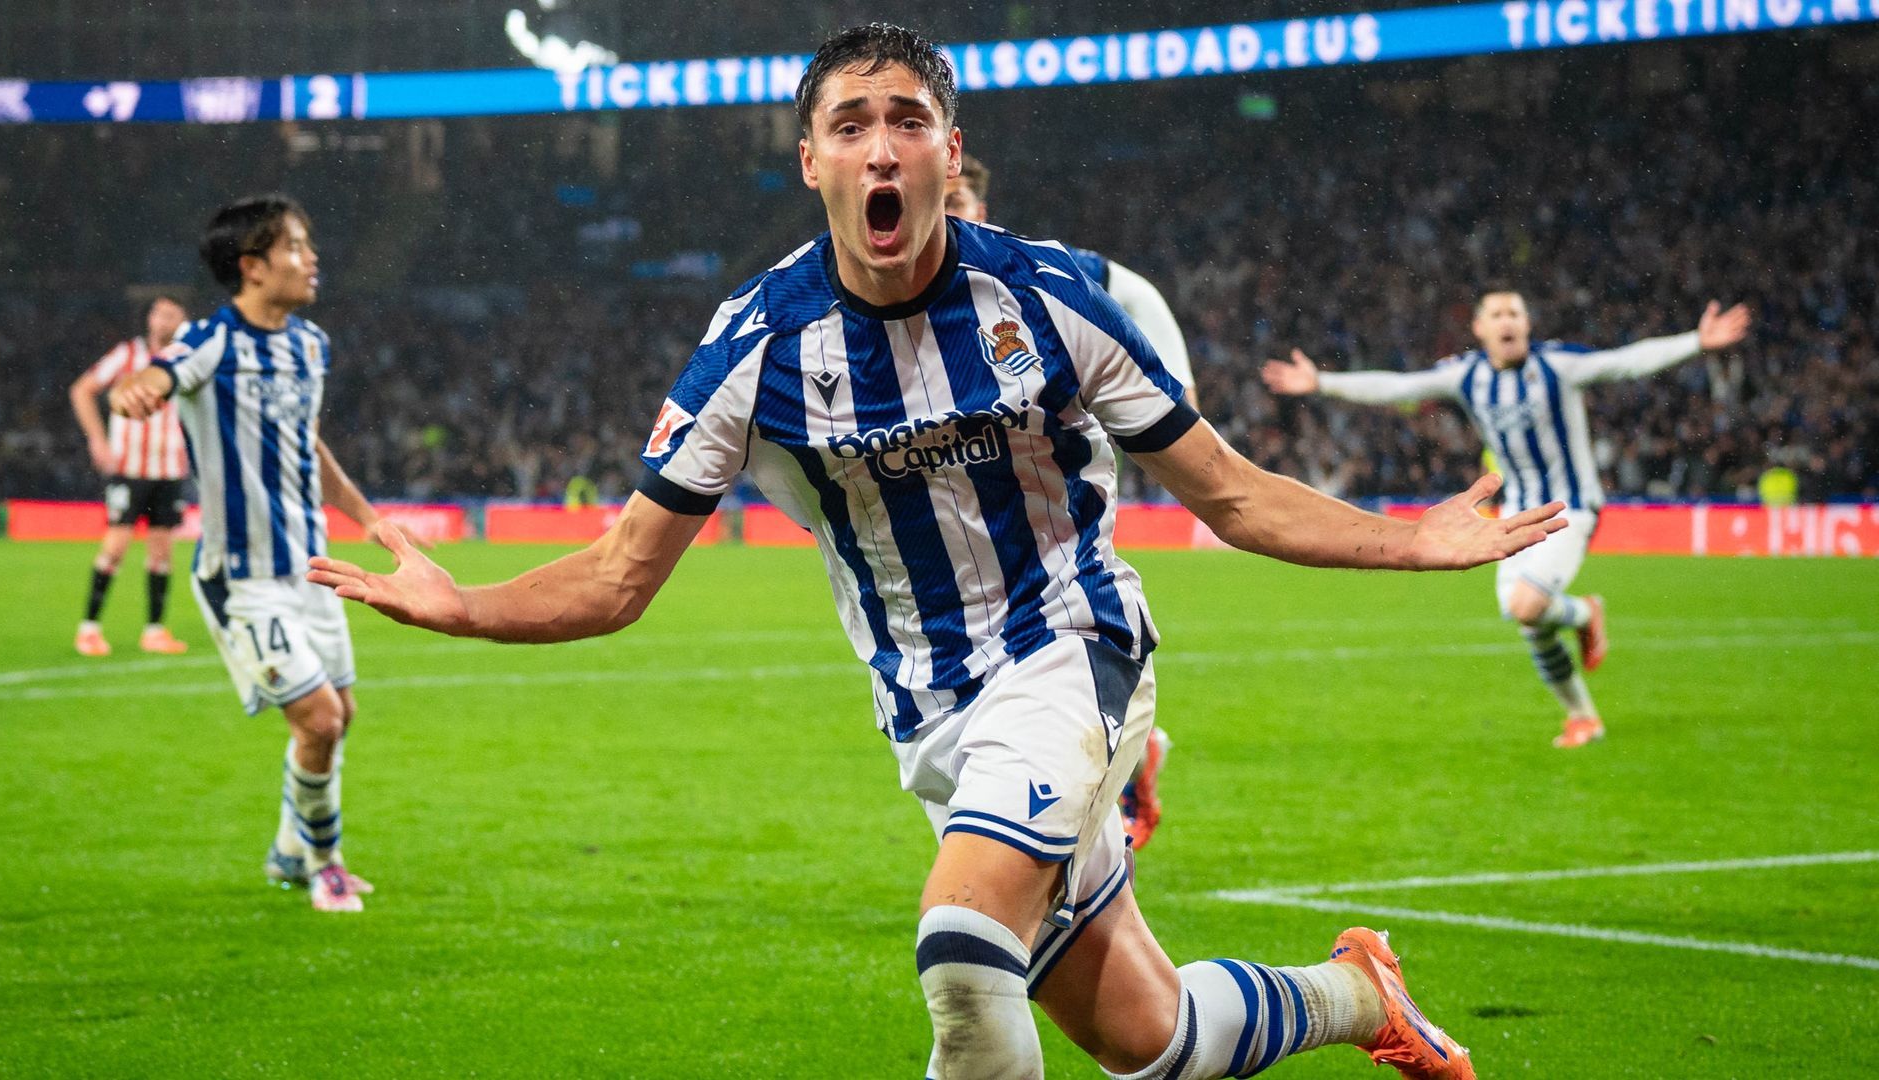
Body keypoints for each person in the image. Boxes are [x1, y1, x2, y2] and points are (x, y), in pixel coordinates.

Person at [309, 26, 1564, 1077]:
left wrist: (1416, 541)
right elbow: (621, 572)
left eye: (907, 119)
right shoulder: (755, 345)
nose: (880, 145)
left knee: (964, 949)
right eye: (849, 124)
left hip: (1074, 654)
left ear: (949, 153)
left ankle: (1129, 811)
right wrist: (463, 604)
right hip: (930, 715)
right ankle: (1359, 998)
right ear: (811, 162)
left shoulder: (1059, 300)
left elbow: (1229, 495)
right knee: (1148, 1038)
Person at [1262, 288, 1750, 748]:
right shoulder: (1466, 376)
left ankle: (1584, 615)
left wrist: (1695, 342)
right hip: (1515, 505)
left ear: (1527, 323)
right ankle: (1582, 712)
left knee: (1526, 605)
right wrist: (1324, 382)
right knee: (1528, 620)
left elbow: (1623, 363)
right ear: (1478, 328)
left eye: (1514, 313)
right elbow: (1398, 386)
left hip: (1570, 505)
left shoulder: (1557, 365)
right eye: (1496, 315)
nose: (1507, 321)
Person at [111, 195, 400, 913]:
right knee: (321, 720)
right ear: (252, 266)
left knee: (341, 716)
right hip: (244, 578)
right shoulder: (212, 340)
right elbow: (163, 371)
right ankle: (325, 864)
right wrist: (139, 389)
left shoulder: (311, 346)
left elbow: (307, 444)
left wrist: (366, 517)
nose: (312, 258)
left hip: (311, 567)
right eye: (296, 247)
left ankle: (287, 849)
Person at [944, 153, 1192, 849]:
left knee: (1049, 643)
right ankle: (1123, 767)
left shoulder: (1024, 268)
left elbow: (1133, 288)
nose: (950, 210)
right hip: (957, 512)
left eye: (960, 197)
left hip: (1041, 497)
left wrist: (1178, 383)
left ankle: (1085, 818)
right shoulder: (899, 287)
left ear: (981, 207)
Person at [69, 294, 192, 657]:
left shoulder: (188, 359)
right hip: (129, 469)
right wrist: (98, 440)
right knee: (116, 546)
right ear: (149, 319)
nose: (163, 320)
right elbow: (82, 389)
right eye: (158, 313)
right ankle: (89, 629)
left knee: (162, 553)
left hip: (169, 471)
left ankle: (154, 630)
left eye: (172, 314)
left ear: (183, 320)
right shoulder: (128, 356)